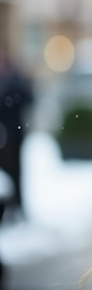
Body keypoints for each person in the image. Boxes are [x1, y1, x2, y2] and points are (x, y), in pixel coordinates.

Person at [0, 47, 33, 216]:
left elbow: (28, 98)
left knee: (15, 173)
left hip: (14, 135)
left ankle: (17, 207)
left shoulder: (15, 78)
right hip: (5, 134)